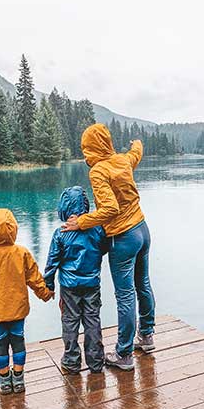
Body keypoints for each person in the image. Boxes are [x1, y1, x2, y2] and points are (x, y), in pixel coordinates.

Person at [62, 123, 155, 371]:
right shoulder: (123, 161)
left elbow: (110, 210)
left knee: (125, 295)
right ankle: (146, 336)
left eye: (85, 148)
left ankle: (123, 354)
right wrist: (137, 142)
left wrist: (81, 222)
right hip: (142, 230)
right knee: (143, 284)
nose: (84, 154)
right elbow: (136, 153)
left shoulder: (99, 171)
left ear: (92, 147)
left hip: (123, 237)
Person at [0, 208, 54, 394]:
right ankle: (19, 379)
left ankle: (4, 381)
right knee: (18, 341)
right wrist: (45, 293)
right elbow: (34, 278)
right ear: (13, 229)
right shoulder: (21, 253)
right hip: (17, 309)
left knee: (0, 343)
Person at [44, 186, 108, 374]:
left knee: (70, 321)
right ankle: (96, 361)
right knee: (92, 320)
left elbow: (52, 262)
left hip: (69, 286)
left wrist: (48, 285)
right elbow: (103, 249)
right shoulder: (97, 229)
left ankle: (71, 362)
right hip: (92, 284)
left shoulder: (61, 232)